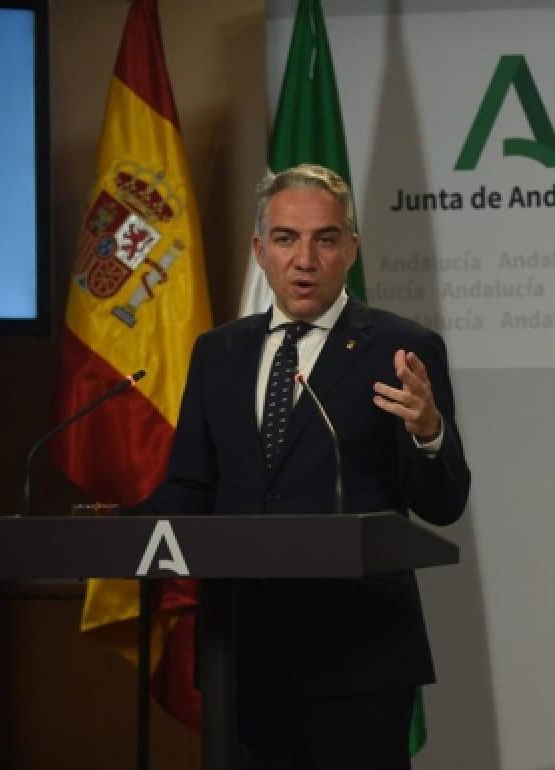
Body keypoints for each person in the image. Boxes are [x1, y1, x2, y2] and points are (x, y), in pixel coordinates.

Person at [140, 163, 470, 769]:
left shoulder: (399, 348)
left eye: (324, 239)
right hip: (243, 650)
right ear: (260, 249)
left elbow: (443, 504)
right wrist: (124, 531)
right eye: (287, 239)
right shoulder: (219, 352)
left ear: (351, 249)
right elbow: (189, 484)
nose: (305, 259)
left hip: (359, 657)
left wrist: (429, 433)